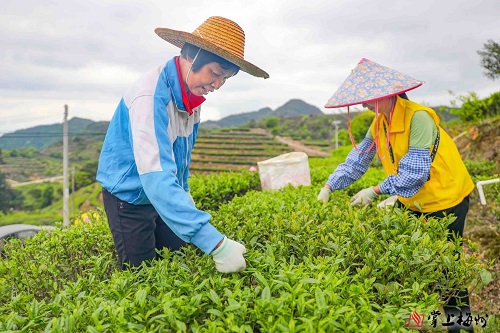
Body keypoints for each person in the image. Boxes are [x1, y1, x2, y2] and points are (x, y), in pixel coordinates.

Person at [96, 16, 269, 273]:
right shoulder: (150, 96)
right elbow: (155, 175)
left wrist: (185, 195)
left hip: (164, 193)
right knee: (140, 274)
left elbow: (181, 159)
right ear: (192, 56)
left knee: (176, 261)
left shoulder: (192, 100)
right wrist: (218, 245)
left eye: (225, 79)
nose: (217, 85)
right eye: (215, 73)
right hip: (130, 196)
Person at [317, 58, 475, 332]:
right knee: (406, 262)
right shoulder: (379, 123)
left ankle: (461, 328)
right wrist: (330, 185)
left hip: (446, 200)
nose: (364, 105)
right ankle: (415, 322)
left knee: (447, 270)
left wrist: (375, 190)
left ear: (387, 95)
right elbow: (358, 160)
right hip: (411, 202)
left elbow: (415, 172)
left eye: (368, 99)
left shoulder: (419, 118)